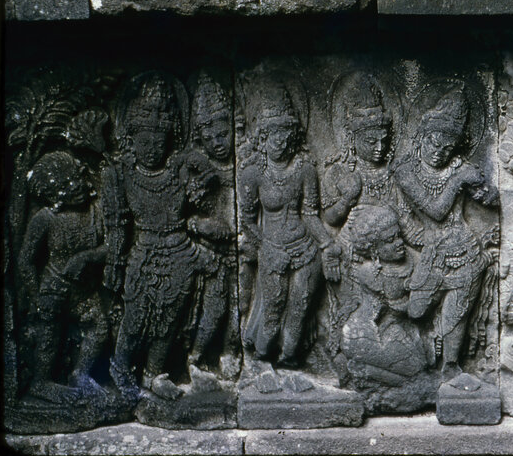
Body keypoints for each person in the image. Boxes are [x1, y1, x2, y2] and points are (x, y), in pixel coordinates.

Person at [104, 72, 216, 401]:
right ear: (131, 135)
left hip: (181, 251)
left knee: (169, 318)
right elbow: (116, 223)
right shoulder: (120, 172)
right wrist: (113, 262)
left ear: (171, 136)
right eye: (144, 139)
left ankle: (154, 373)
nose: (152, 147)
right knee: (136, 316)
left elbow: (208, 171)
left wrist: (197, 180)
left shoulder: (179, 166)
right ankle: (121, 369)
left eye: (159, 139)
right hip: (144, 251)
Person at [394, 83, 497, 380]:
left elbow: (487, 199)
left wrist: (488, 194)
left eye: (447, 148)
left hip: (465, 249)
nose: (439, 153)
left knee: (457, 313)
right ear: (422, 137)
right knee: (415, 310)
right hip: (430, 250)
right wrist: (458, 180)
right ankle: (421, 350)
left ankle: (451, 365)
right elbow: (436, 211)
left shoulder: (458, 167)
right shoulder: (406, 171)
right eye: (434, 144)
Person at [239, 82, 340, 370]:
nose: (280, 141)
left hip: (305, 248)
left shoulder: (304, 169)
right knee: (273, 309)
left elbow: (310, 213)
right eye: (274, 134)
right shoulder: (252, 173)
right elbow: (247, 219)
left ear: (294, 135)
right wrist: (268, 249)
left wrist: (326, 243)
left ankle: (290, 358)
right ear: (263, 136)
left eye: (286, 133)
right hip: (272, 248)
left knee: (300, 307)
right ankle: (260, 360)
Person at [18, 151, 108, 397]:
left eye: (77, 180)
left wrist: (87, 256)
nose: (78, 187)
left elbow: (113, 247)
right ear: (52, 195)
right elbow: (26, 260)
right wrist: (37, 298)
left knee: (100, 329)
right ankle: (41, 382)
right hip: (53, 288)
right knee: (50, 336)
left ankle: (80, 373)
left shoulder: (94, 211)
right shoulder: (44, 219)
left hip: (85, 290)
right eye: (68, 186)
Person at [337, 205, 435, 410]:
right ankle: (362, 371)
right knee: (415, 371)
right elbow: (399, 307)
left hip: (398, 328)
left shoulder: (409, 259)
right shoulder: (370, 272)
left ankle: (366, 372)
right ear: (374, 250)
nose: (399, 243)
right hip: (368, 333)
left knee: (421, 365)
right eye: (390, 241)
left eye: (398, 236)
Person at [185, 72, 239, 381]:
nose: (217, 143)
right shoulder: (197, 169)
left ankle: (232, 352)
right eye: (209, 138)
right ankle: (196, 356)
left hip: (247, 248)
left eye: (222, 133)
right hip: (211, 254)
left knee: (240, 307)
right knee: (214, 307)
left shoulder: (247, 164)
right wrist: (201, 224)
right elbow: (184, 216)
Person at [323, 72, 396, 227]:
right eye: (371, 141)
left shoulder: (392, 171)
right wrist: (346, 201)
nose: (379, 148)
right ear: (352, 138)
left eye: (383, 141)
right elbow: (329, 219)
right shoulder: (338, 172)